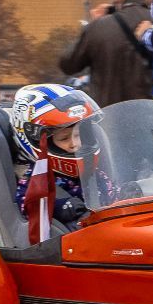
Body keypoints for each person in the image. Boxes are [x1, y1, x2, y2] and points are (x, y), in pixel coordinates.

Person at [9, 83, 102, 237]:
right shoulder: (38, 177)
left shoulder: (89, 168)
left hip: (101, 229)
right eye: (64, 138)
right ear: (37, 140)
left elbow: (107, 189)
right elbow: (28, 204)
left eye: (79, 135)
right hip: (68, 244)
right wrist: (59, 206)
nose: (75, 144)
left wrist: (124, 194)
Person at [59, 0, 153, 106]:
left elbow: (68, 65)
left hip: (107, 117)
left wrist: (91, 26)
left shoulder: (99, 27)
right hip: (151, 115)